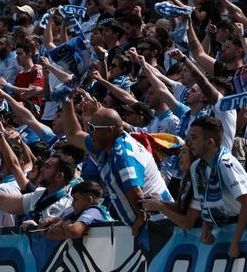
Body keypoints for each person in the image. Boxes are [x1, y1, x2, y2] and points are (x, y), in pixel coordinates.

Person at [60, 95, 172, 236]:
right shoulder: (107, 142)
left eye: (92, 127)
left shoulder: (122, 155)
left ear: (109, 130)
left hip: (157, 226)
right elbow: (74, 134)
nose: (90, 132)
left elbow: (135, 191)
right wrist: (66, 99)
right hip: (152, 224)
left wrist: (140, 218)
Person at [185, 116, 247, 258]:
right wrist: (206, 229)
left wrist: (235, 243)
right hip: (230, 225)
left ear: (210, 142)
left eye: (194, 138)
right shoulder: (196, 168)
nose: (189, 143)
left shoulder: (226, 164)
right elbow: (205, 202)